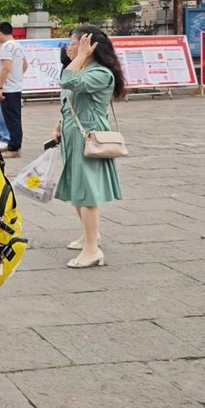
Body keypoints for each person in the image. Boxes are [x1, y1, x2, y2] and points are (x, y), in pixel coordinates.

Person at [52, 26, 125, 269]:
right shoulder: (83, 68)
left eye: (74, 43)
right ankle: (90, 235)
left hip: (88, 135)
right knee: (77, 188)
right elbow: (70, 99)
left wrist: (82, 55)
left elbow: (67, 81)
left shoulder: (100, 73)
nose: (69, 48)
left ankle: (92, 250)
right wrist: (59, 124)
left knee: (86, 192)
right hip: (74, 133)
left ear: (90, 46)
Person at [0, 21, 28, 158]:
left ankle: (14, 148)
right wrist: (17, 78)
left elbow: (6, 68)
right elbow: (25, 65)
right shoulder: (17, 45)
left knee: (12, 119)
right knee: (14, 118)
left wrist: (0, 87)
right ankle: (13, 144)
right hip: (15, 87)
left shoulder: (6, 46)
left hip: (8, 88)